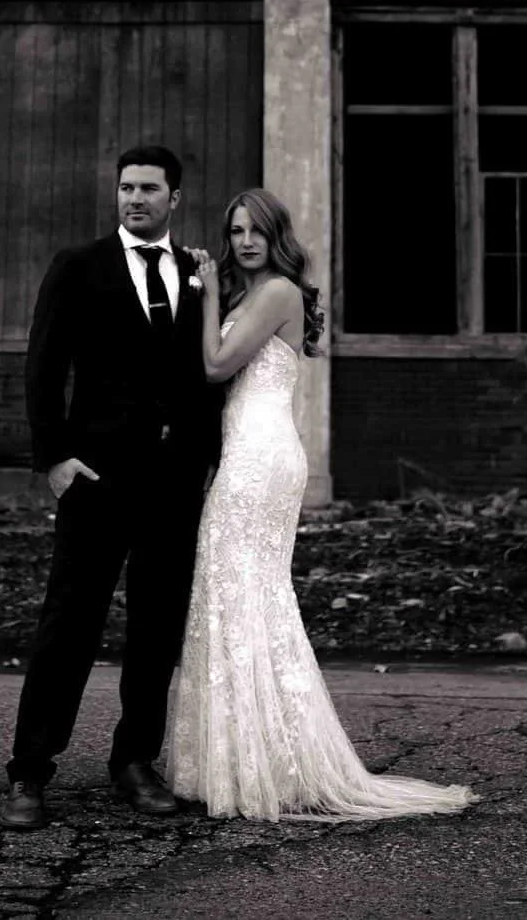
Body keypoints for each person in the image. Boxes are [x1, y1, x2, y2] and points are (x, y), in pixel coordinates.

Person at [164, 188, 475, 820]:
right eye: (236, 230)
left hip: (261, 459)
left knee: (243, 591)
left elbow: (219, 365)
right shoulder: (254, 294)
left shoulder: (276, 290)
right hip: (250, 453)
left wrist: (205, 298)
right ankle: (246, 756)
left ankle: (267, 759)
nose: (244, 241)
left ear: (277, 236)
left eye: (256, 230)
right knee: (237, 593)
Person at [2, 144, 224, 831]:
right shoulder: (78, 266)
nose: (135, 198)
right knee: (68, 626)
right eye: (127, 187)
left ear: (174, 199)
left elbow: (207, 373)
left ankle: (134, 762)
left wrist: (207, 457)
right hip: (96, 478)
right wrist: (54, 460)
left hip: (174, 482)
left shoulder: (196, 273)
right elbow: (44, 368)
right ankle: (30, 773)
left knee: (156, 629)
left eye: (150, 189)